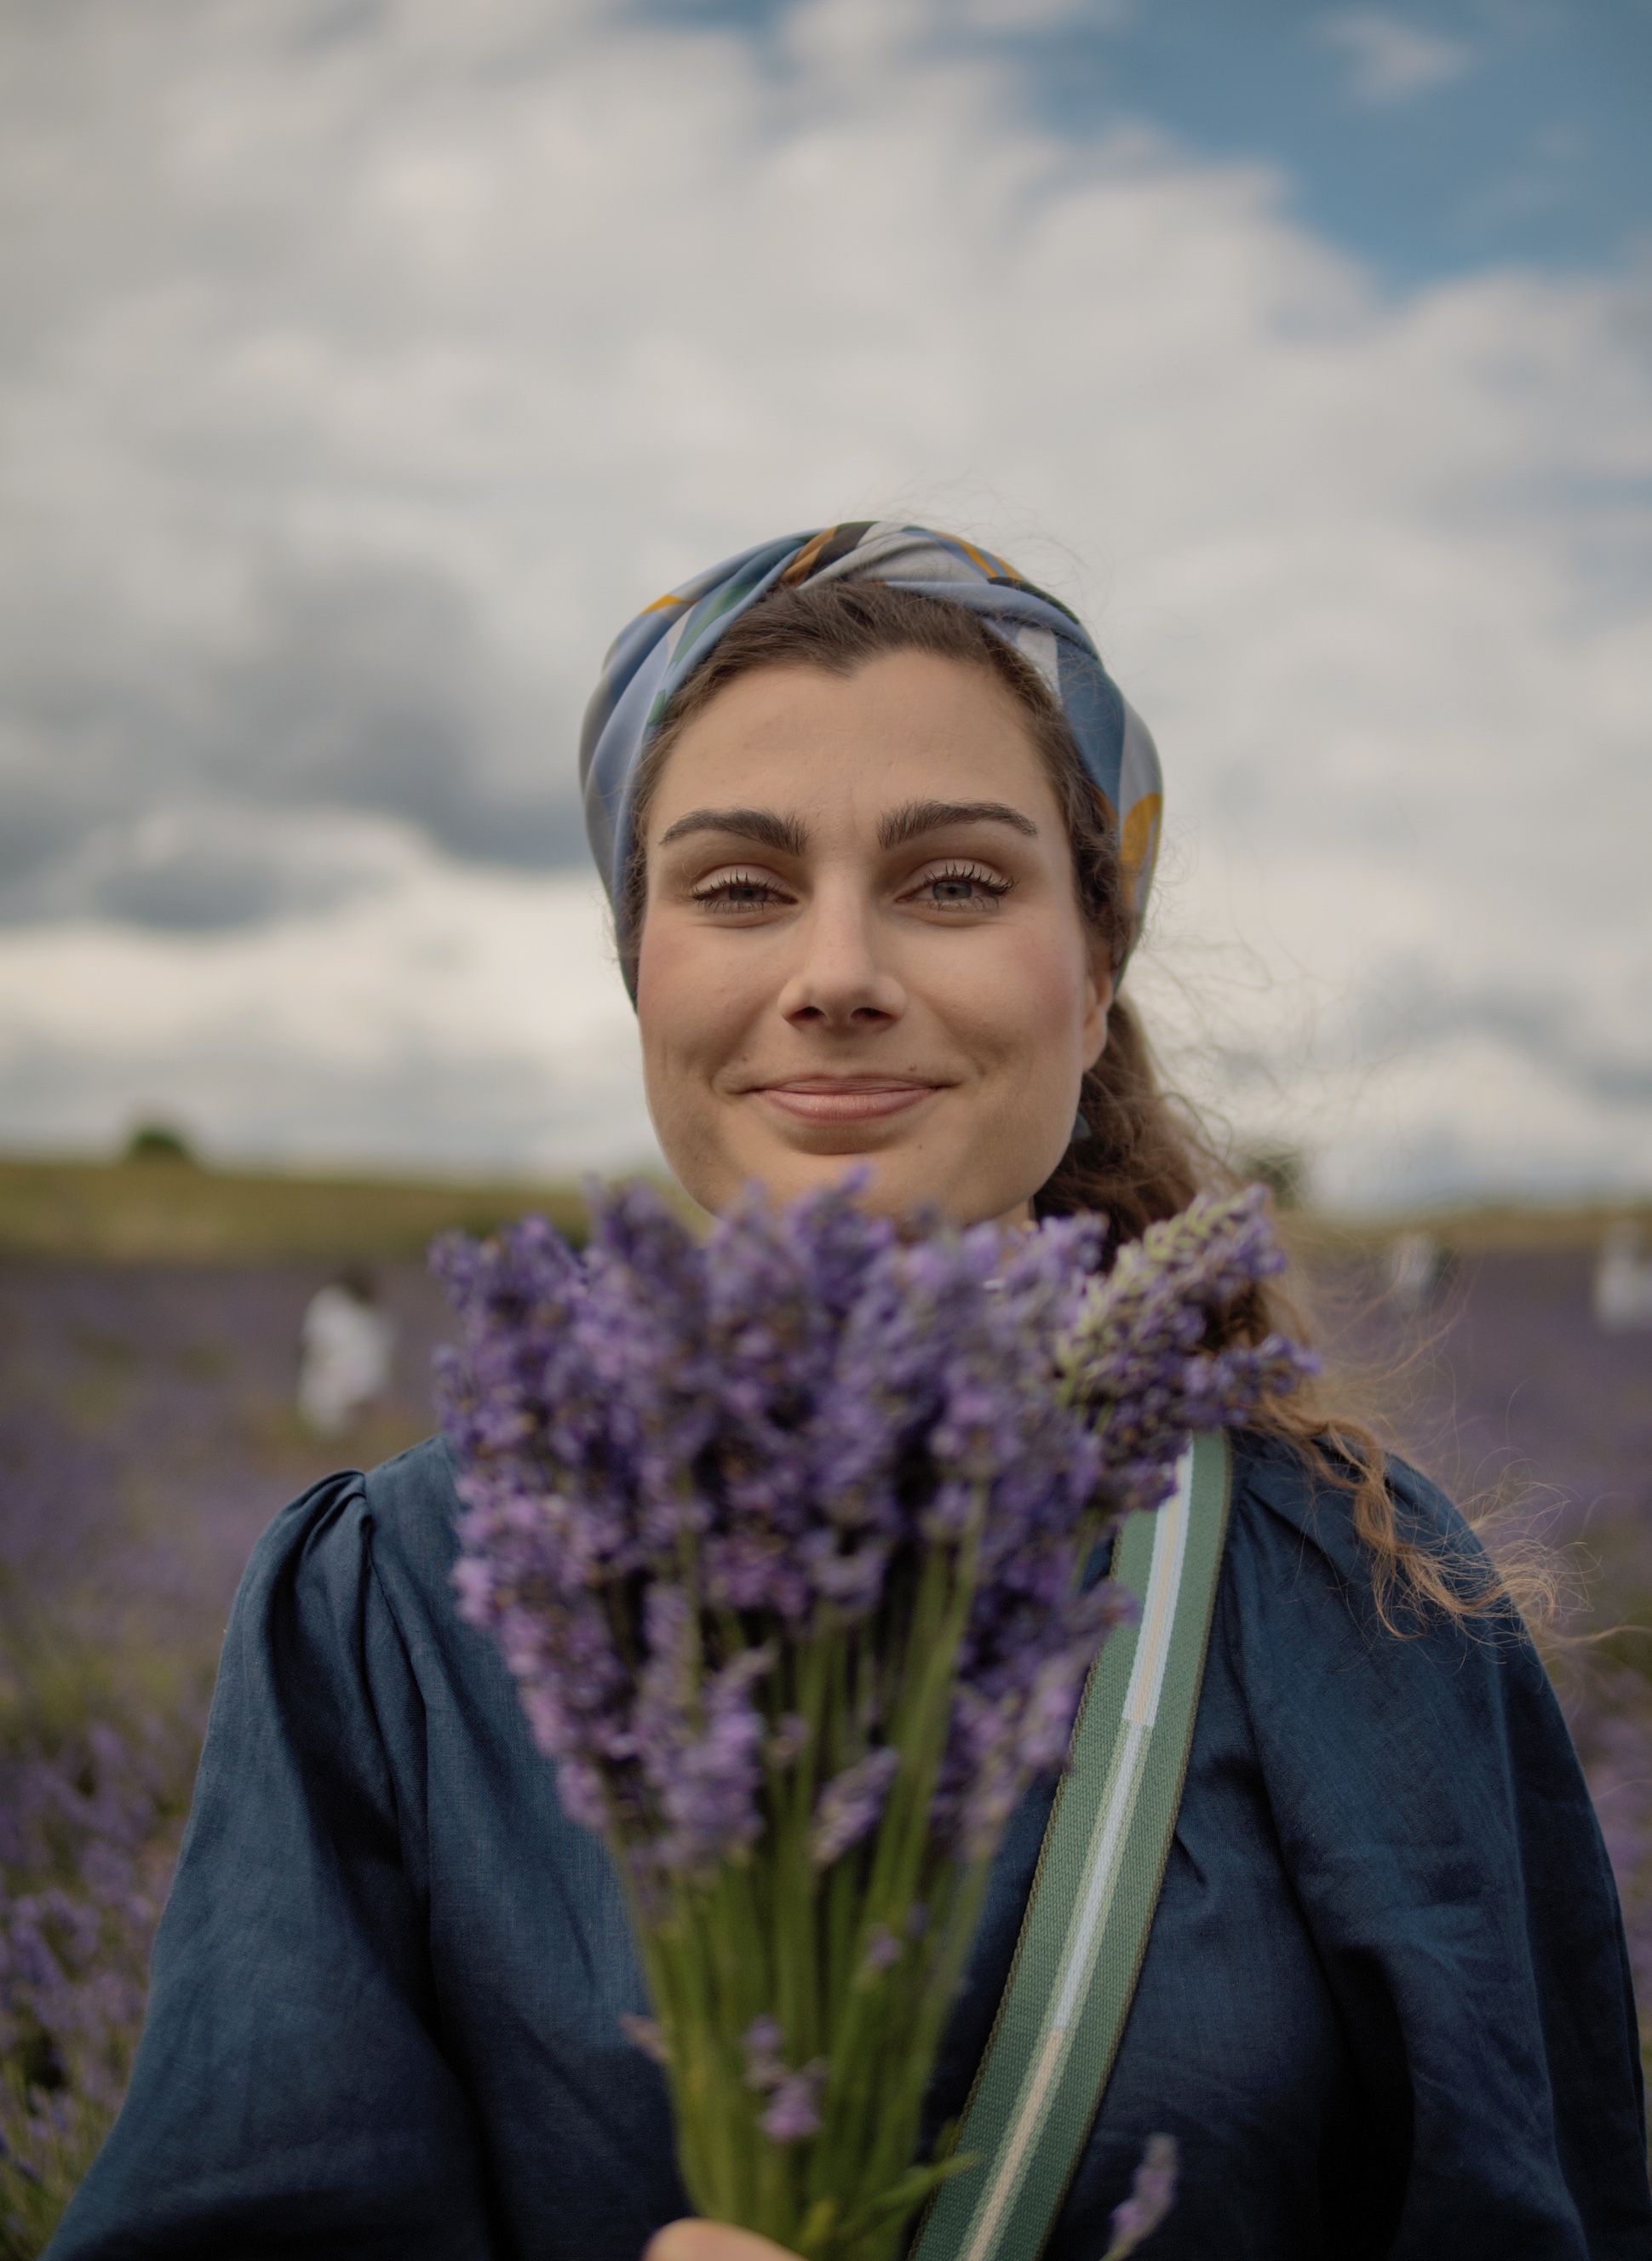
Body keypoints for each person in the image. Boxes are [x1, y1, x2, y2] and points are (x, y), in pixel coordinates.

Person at [49, 525, 1651, 2258]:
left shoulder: (1353, 1590)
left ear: (1095, 975)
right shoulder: (392, 1601)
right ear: (642, 974)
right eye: (736, 886)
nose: (834, 972)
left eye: (954, 881)